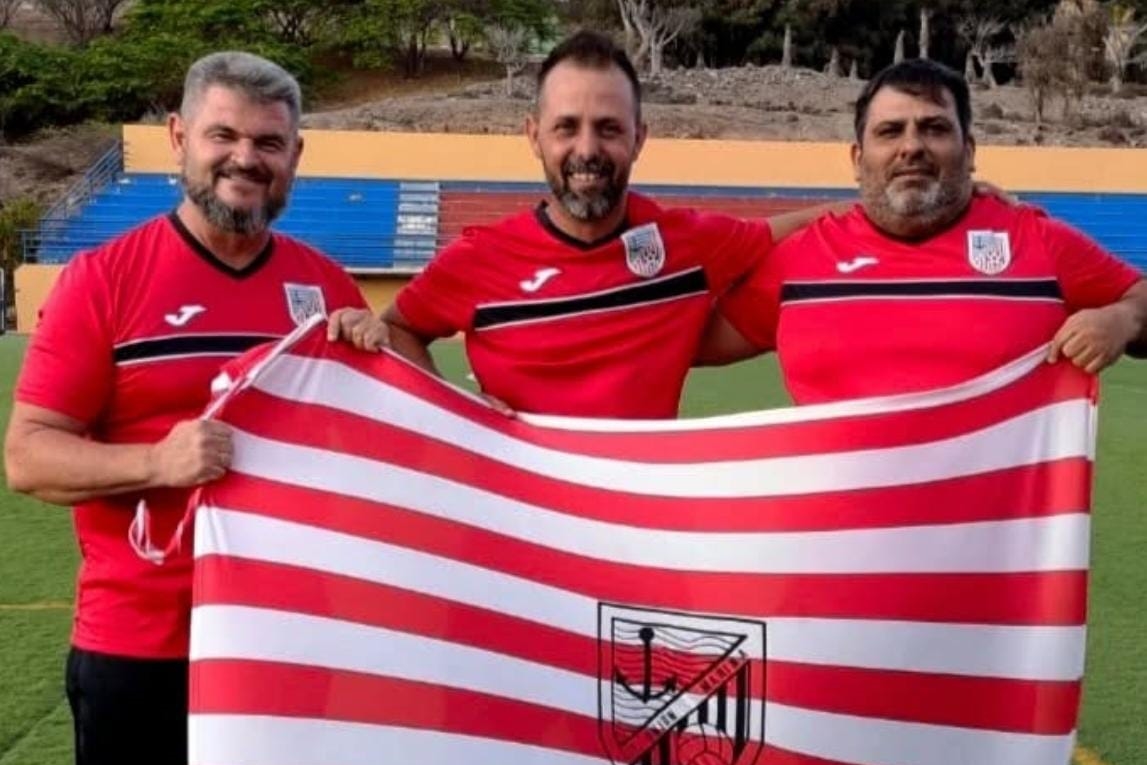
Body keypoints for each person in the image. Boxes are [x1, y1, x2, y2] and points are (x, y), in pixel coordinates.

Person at [4, 51, 367, 765]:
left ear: (295, 153)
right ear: (178, 137)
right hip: (142, 649)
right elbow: (27, 455)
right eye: (222, 136)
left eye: (267, 143)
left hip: (289, 640)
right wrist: (157, 461)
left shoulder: (327, 287)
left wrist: (375, 360)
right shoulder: (103, 279)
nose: (245, 158)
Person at [335, 30, 848, 418]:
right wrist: (455, 410)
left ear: (639, 137)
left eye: (608, 128)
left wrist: (881, 211)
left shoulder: (686, 242)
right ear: (534, 136)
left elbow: (793, 230)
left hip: (636, 520)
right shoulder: (478, 260)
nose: (587, 150)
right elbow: (400, 327)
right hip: (517, 517)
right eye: (566, 128)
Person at [700, 58, 1146, 403]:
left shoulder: (1036, 241)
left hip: (995, 524)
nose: (911, 146)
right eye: (890, 132)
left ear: (969, 151)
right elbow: (680, 341)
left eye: (934, 128)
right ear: (858, 158)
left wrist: (1122, 319)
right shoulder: (800, 259)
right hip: (842, 523)